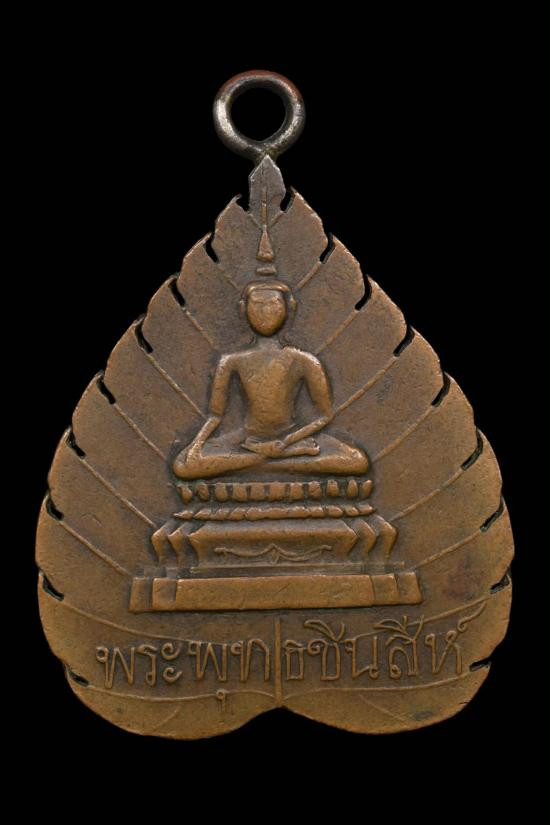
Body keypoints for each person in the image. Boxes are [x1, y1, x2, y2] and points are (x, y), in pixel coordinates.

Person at [173, 281, 368, 479]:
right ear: (243, 309)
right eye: (257, 305)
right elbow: (215, 416)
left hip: (293, 437)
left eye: (273, 304)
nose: (265, 312)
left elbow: (324, 416)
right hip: (247, 440)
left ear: (289, 308)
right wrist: (196, 445)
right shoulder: (231, 361)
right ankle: (278, 460)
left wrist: (286, 442)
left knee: (357, 461)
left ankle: (262, 461)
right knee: (183, 466)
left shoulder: (304, 360)